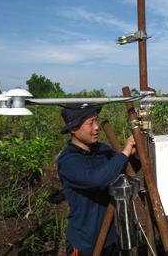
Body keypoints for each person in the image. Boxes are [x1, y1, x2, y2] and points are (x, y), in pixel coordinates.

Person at [58, 103, 137, 256]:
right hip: (84, 243)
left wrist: (134, 155)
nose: (96, 127)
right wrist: (124, 153)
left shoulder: (102, 150)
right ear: (73, 129)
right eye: (90, 123)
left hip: (109, 237)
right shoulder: (68, 160)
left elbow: (121, 171)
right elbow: (96, 179)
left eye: (97, 121)